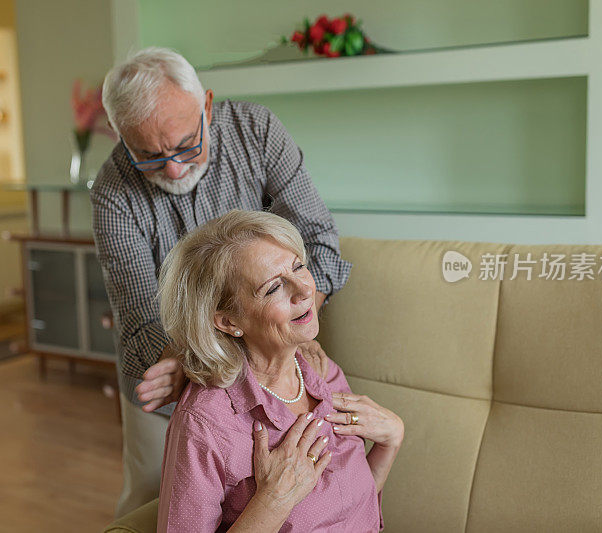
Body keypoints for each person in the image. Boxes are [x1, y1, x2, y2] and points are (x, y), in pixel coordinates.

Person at [90, 47, 353, 518]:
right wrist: (185, 360)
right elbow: (139, 327)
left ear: (207, 106)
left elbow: (321, 247)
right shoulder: (112, 191)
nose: (174, 169)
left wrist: (287, 318)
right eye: (149, 156)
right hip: (173, 379)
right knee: (149, 502)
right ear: (120, 136)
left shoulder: (257, 132)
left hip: (271, 363)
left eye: (187, 144)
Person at [155, 210, 403, 531]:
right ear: (229, 322)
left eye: (299, 266)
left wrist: (391, 441)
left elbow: (353, 507)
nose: (303, 290)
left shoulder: (324, 375)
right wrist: (274, 500)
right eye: (273, 288)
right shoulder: (204, 424)